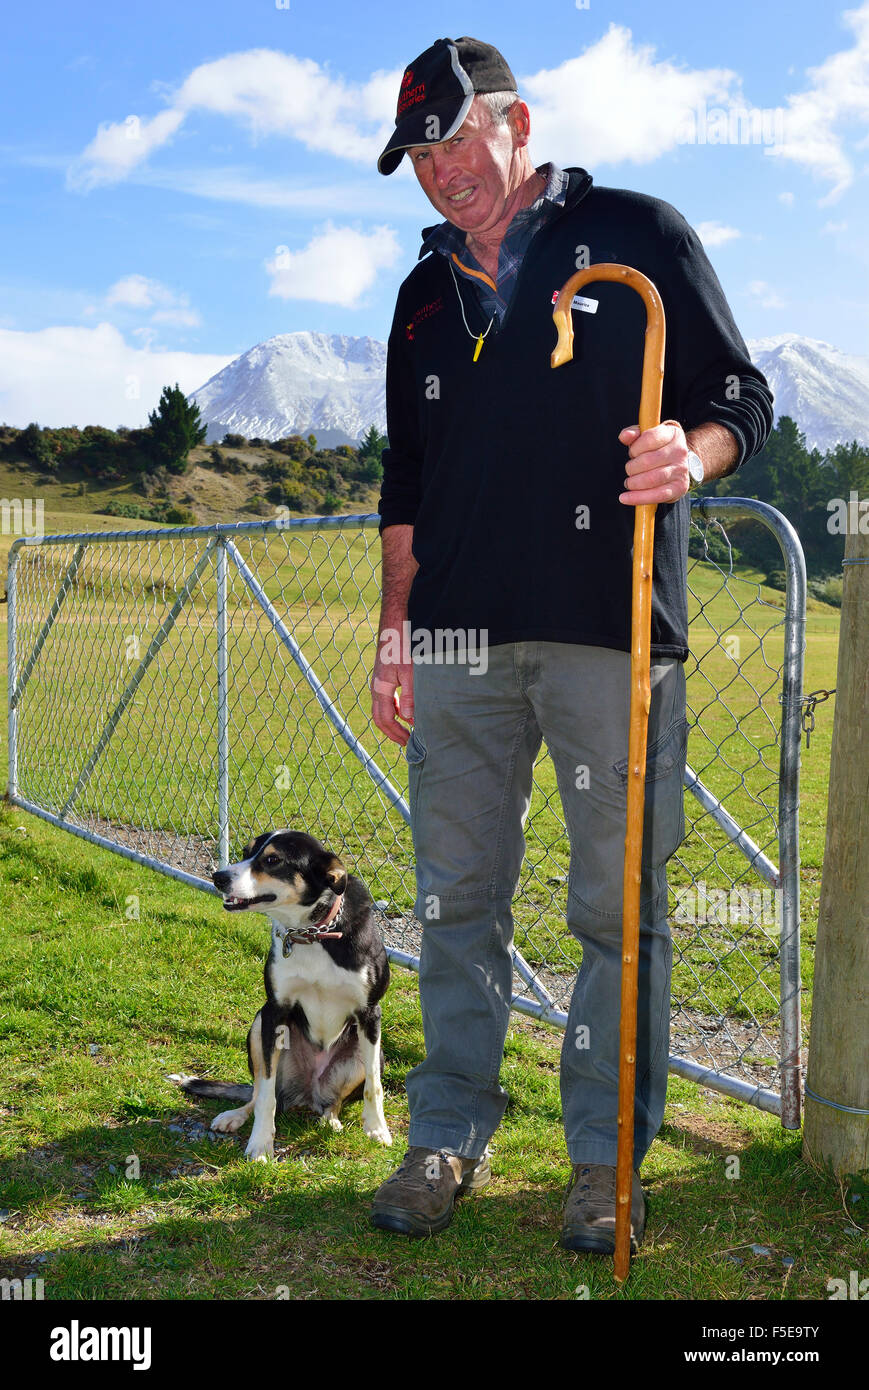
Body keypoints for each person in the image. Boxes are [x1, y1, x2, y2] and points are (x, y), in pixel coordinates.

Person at [368, 36, 773, 1251]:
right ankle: (444, 1136)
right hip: (452, 641)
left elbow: (739, 395)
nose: (439, 171)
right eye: (417, 154)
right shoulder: (421, 296)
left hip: (609, 630)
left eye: (451, 138)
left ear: (515, 121)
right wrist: (394, 625)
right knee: (455, 901)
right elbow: (406, 477)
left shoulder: (640, 233)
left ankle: (602, 1160)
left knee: (615, 908)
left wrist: (686, 455)